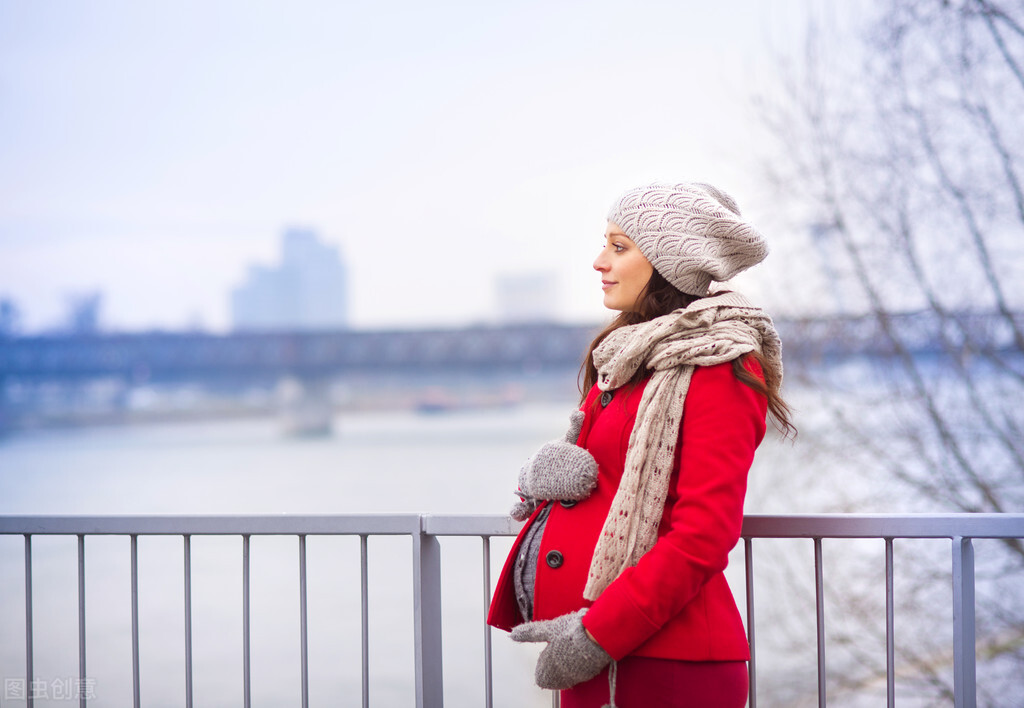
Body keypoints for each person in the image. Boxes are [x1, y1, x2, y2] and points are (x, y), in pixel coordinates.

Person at [487, 182, 794, 707]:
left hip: (665, 664)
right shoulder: (627, 356)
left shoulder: (718, 368)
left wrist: (597, 635)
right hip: (600, 654)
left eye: (619, 246)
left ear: (668, 261)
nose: (599, 261)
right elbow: (606, 473)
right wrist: (550, 471)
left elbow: (702, 536)